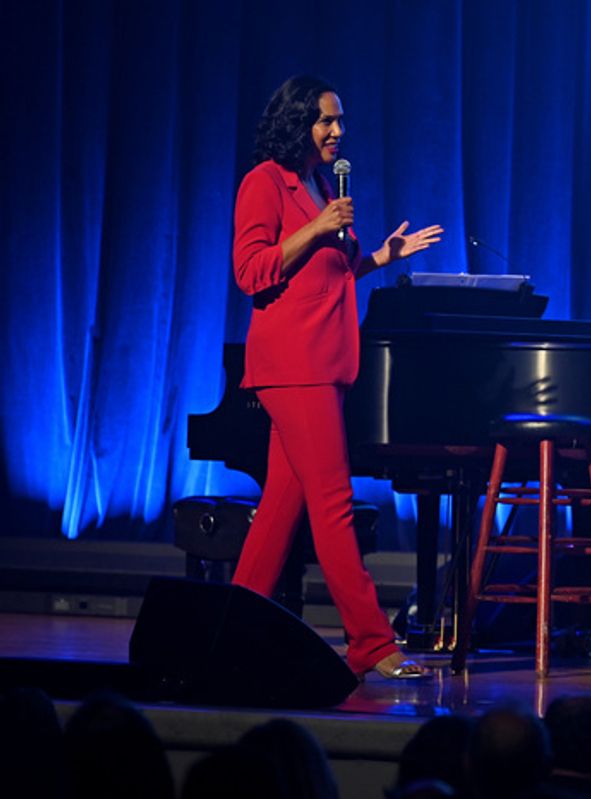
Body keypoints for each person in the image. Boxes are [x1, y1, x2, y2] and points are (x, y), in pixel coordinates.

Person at [231, 75, 443, 679]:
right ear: (299, 122)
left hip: (327, 360)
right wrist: (317, 227)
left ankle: (231, 625)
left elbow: (331, 274)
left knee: (281, 505)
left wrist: (381, 257)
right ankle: (372, 644)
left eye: (340, 121)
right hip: (293, 366)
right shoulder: (264, 183)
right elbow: (252, 271)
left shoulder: (322, 184)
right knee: (333, 504)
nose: (337, 131)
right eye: (326, 121)